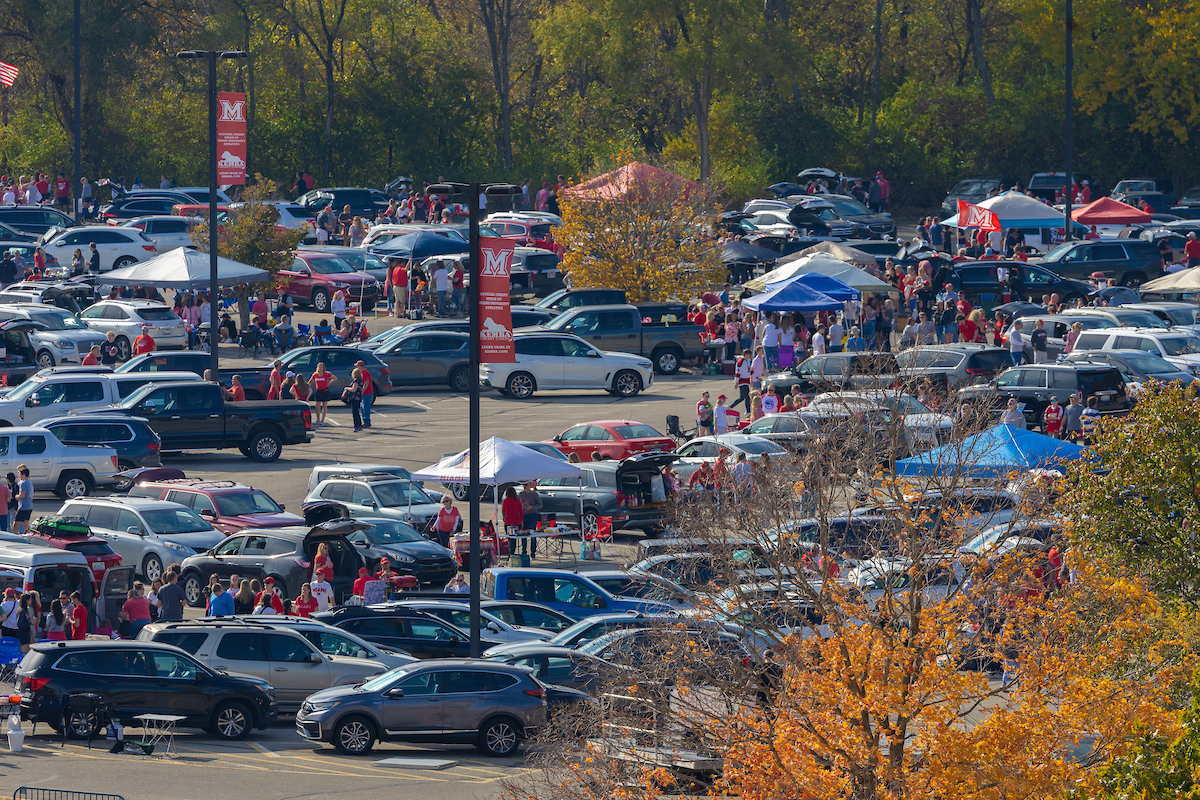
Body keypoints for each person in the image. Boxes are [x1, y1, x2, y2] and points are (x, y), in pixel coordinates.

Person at [518, 481, 543, 559]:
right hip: (523, 516)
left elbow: (540, 505)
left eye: (526, 485)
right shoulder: (521, 494)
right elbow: (518, 504)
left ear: (529, 485)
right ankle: (524, 552)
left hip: (532, 515)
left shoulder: (534, 494)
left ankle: (533, 552)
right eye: (523, 485)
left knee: (532, 534)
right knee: (523, 534)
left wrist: (532, 507)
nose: (524, 486)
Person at [344, 367, 365, 432]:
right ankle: (360, 425)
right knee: (357, 412)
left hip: (355, 398)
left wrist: (346, 388)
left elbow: (354, 389)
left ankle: (356, 426)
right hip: (358, 397)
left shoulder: (356, 381)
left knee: (355, 413)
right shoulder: (360, 381)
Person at [355, 360, 375, 427]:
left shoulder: (365, 373)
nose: (357, 367)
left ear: (360, 366)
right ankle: (365, 420)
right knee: (363, 407)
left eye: (357, 365)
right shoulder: (362, 372)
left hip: (367, 393)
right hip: (365, 393)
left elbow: (366, 383)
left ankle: (367, 421)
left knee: (366, 407)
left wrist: (362, 391)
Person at [13, 466, 32, 535]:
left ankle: (14, 538)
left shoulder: (23, 483)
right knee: (25, 523)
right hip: (29, 507)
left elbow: (22, 495)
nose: (18, 475)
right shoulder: (29, 482)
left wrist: (16, 496)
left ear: (23, 474)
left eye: (19, 473)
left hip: (23, 507)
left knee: (15, 525)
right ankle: (28, 537)